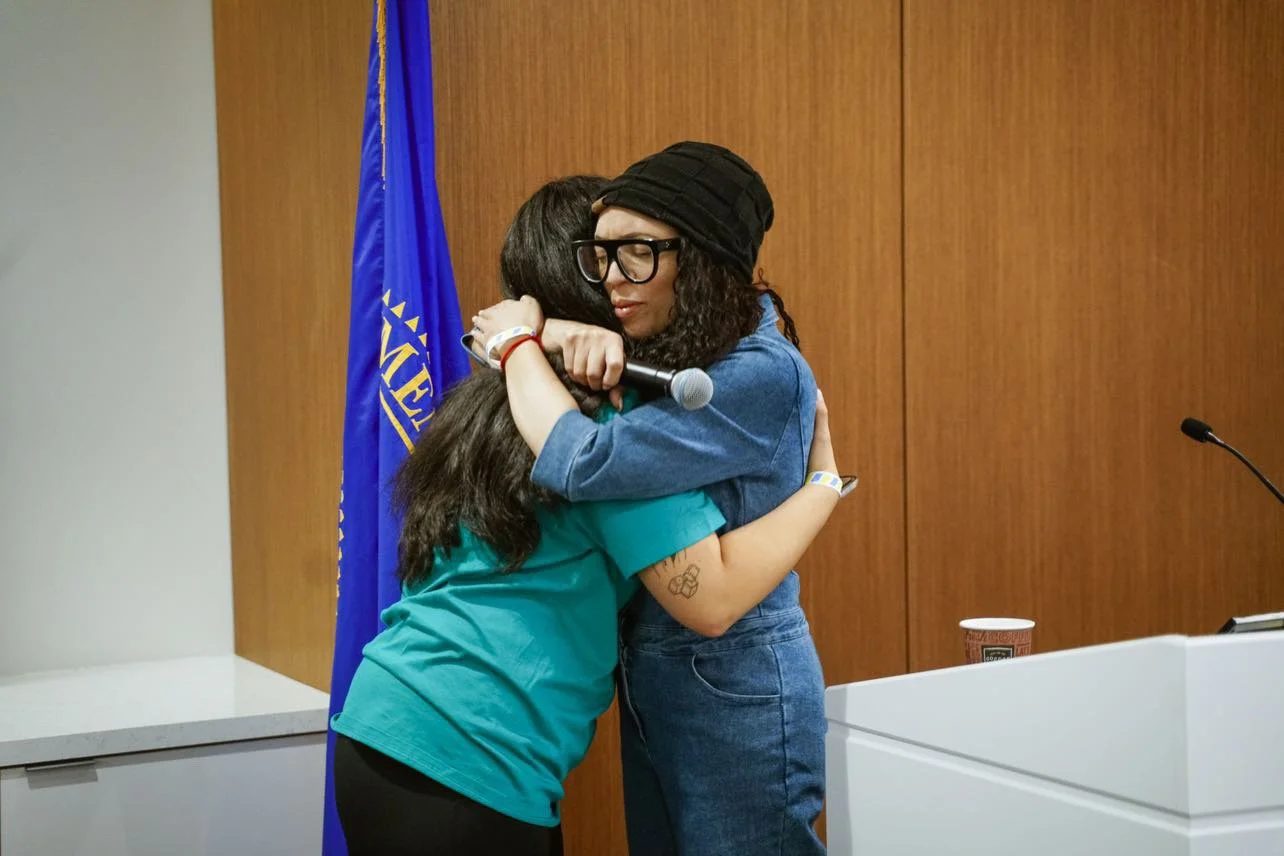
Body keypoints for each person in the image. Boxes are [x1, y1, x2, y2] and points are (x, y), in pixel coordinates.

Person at [331, 175, 847, 856]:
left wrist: (529, 338)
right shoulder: (606, 420)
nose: (629, 277)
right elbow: (711, 598)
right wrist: (826, 485)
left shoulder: (494, 399)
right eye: (610, 260)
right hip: (471, 758)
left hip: (384, 726)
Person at [474, 142, 835, 855]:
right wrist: (555, 332)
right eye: (599, 256)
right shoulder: (686, 351)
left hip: (735, 677)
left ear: (699, 255)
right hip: (658, 670)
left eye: (637, 253)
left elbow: (584, 459)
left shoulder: (758, 372)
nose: (613, 280)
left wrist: (522, 343)